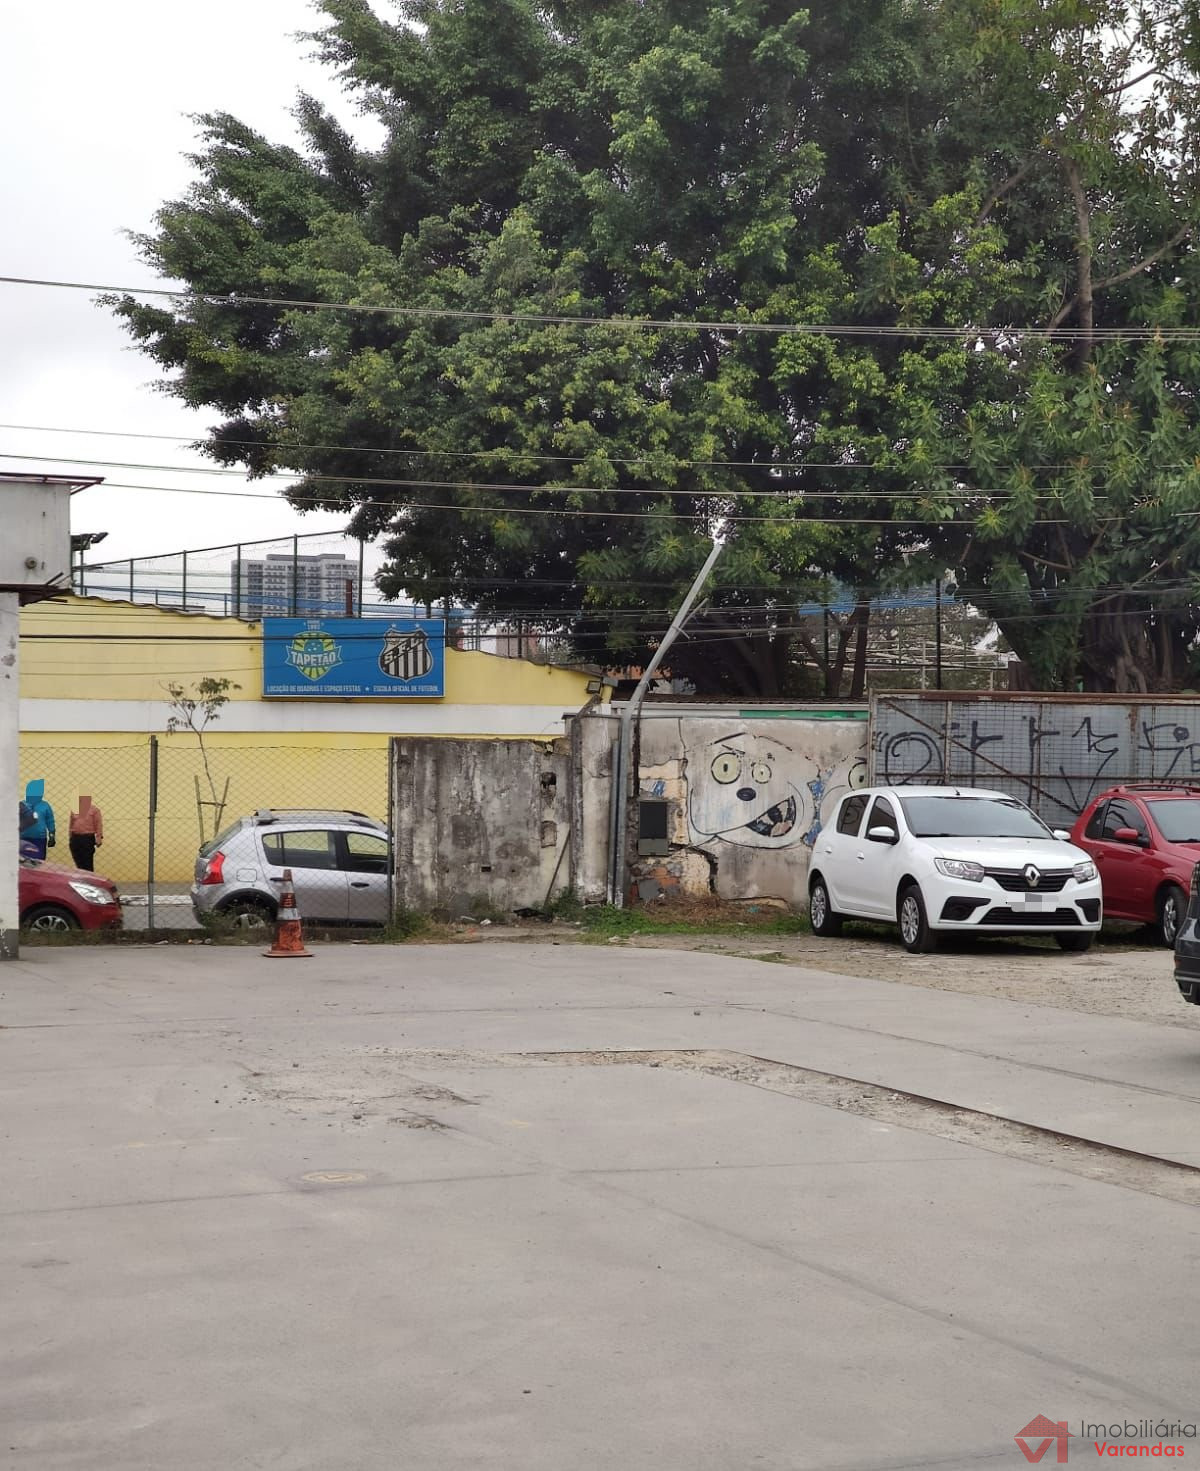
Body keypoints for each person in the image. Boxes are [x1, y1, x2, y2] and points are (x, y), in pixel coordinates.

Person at [69, 795, 103, 872]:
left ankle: (89, 878)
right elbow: (71, 824)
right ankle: (81, 877)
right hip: (75, 838)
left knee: (87, 863)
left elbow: (99, 824)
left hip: (87, 839)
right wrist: (70, 837)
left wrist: (99, 838)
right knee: (78, 863)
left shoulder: (94, 810)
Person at [23, 780, 55, 861]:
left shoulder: (45, 805)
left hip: (39, 839)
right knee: (23, 861)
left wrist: (52, 836)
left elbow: (50, 821)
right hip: (23, 838)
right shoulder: (21, 805)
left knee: (39, 861)